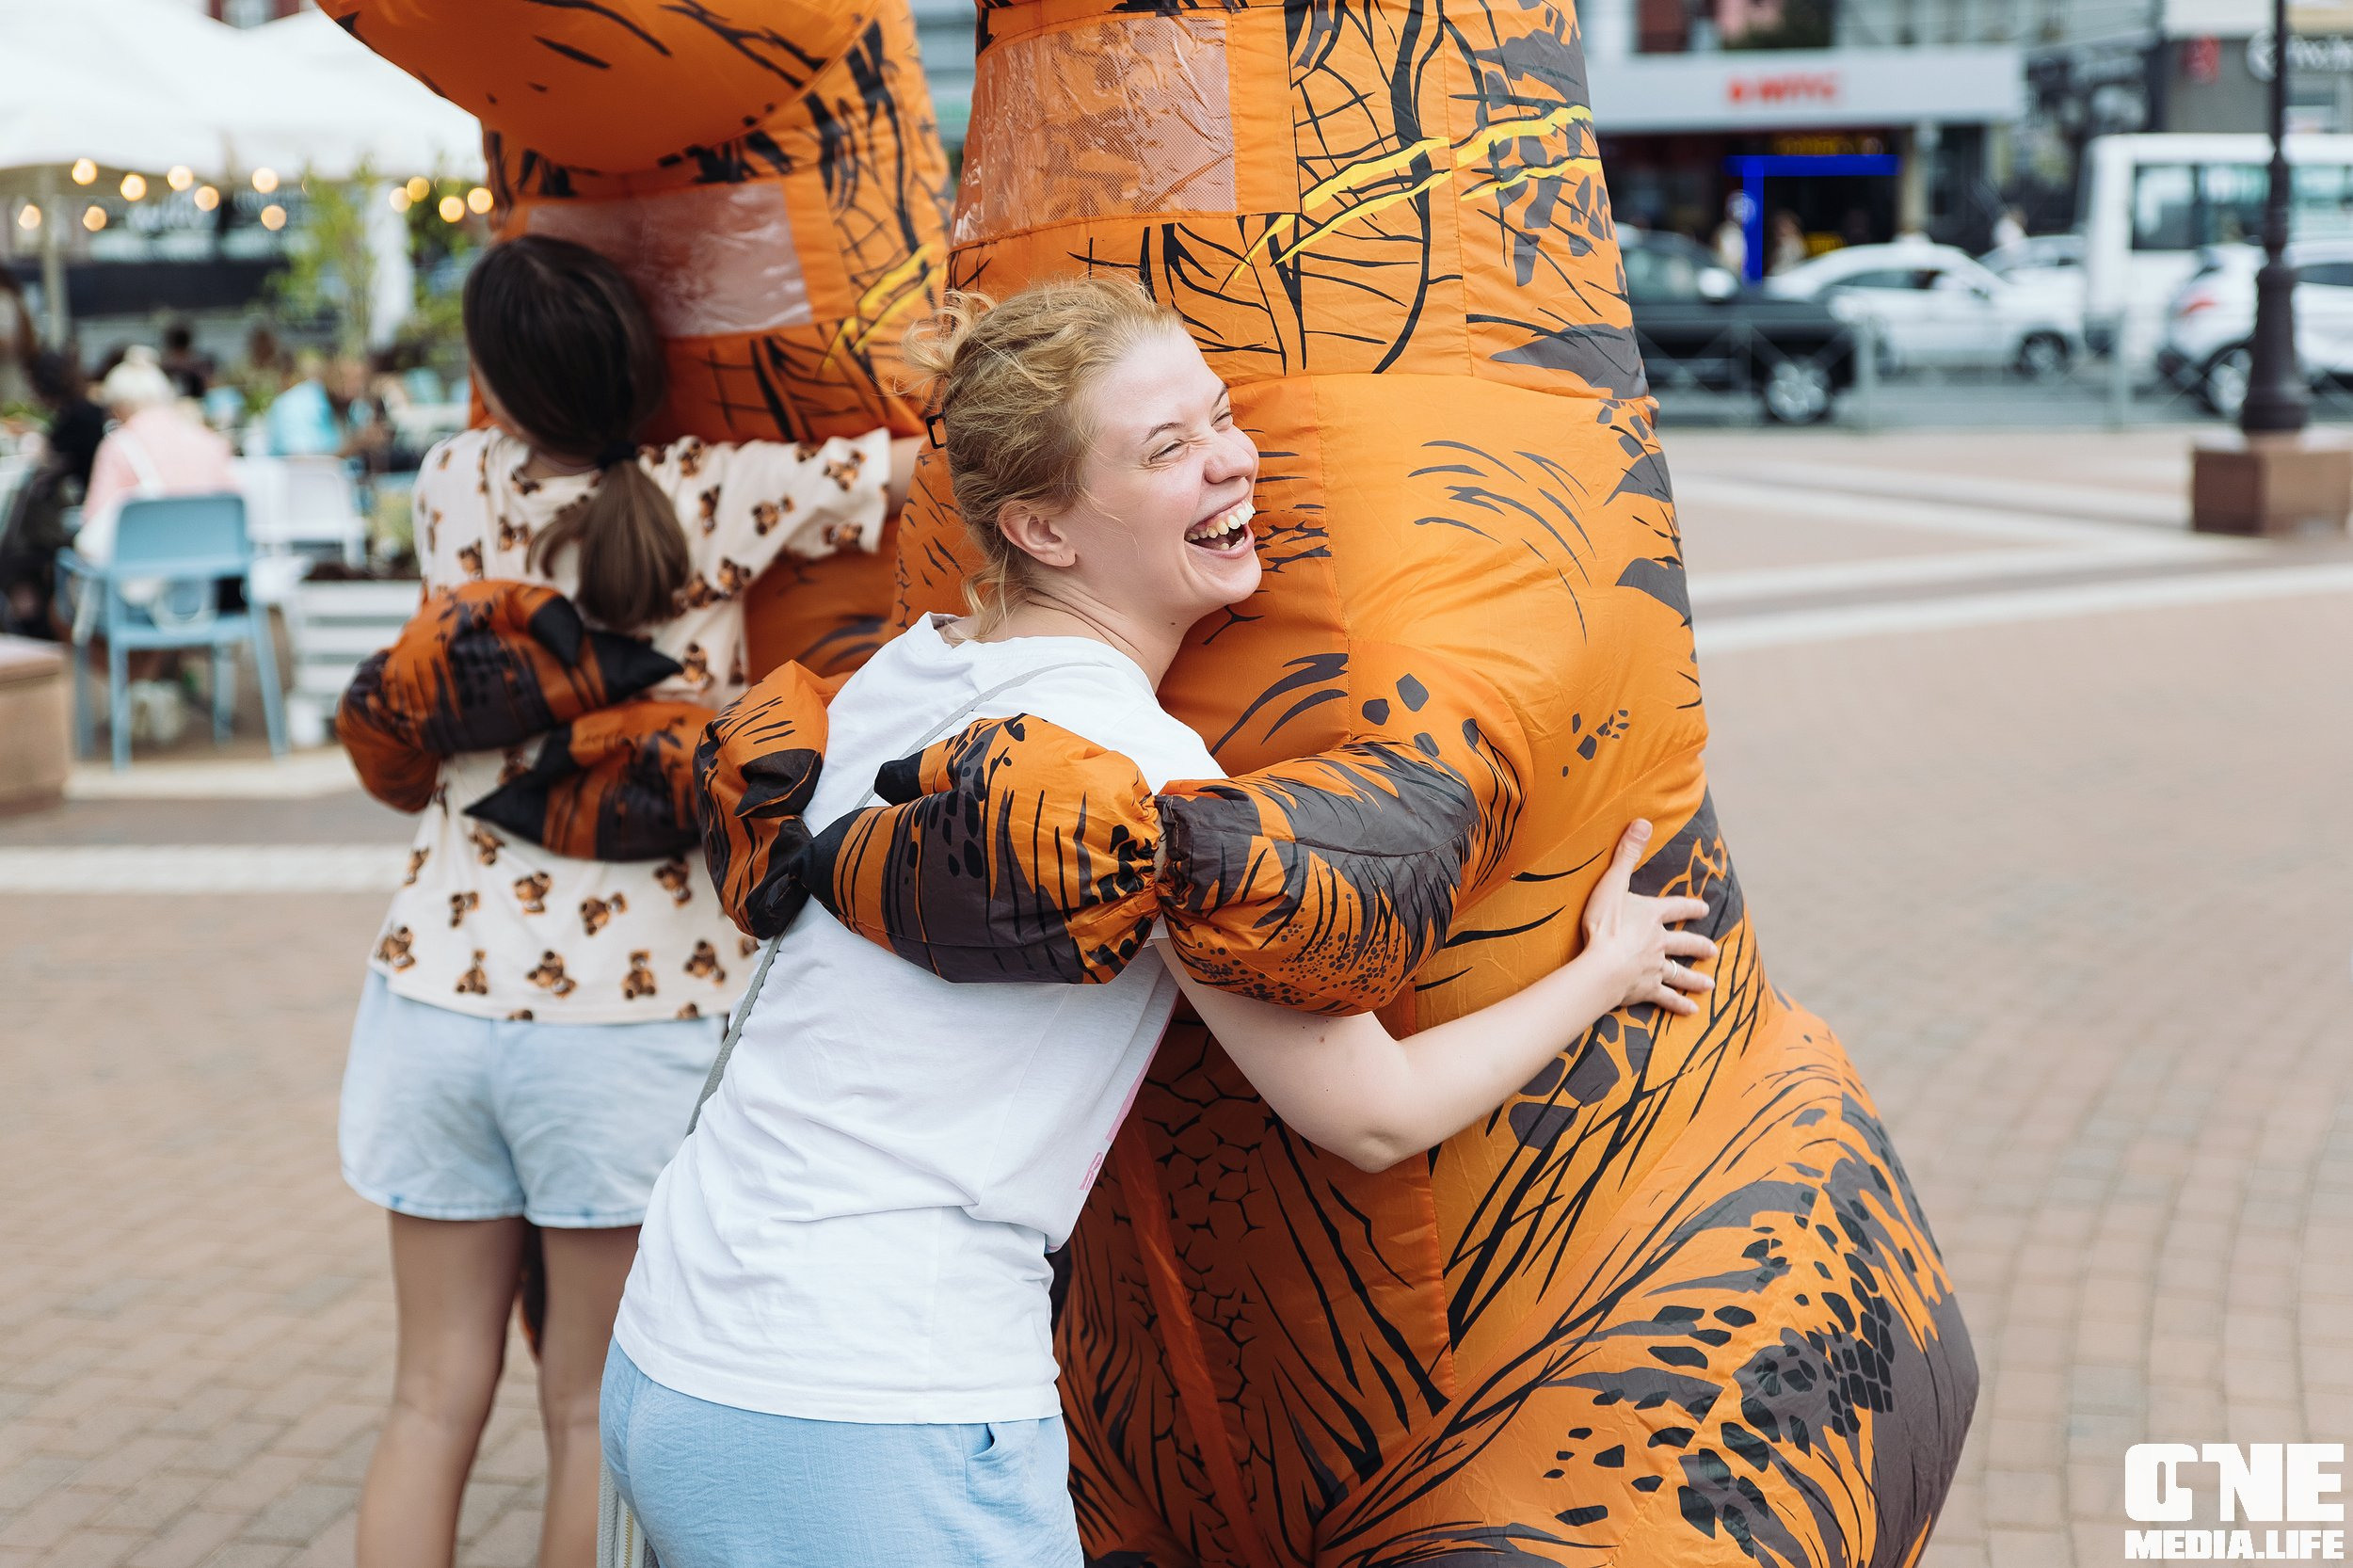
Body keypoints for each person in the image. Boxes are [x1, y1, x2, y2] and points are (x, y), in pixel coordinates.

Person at [601, 279, 1718, 1567]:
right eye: (1166, 447)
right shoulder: (1134, 774)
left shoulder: (900, 675)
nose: (1232, 457)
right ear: (1044, 526)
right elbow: (1370, 1108)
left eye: (1221, 414)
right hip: (872, 1407)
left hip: (678, 1347)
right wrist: (1609, 965)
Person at [337, 233, 920, 1568]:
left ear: (490, 376)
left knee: (429, 1395)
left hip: (434, 993)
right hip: (628, 1018)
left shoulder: (448, 487)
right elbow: (905, 466)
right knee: (586, 1414)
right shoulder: (713, 496)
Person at [72, 346, 239, 744]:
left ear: (121, 406)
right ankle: (160, 683)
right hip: (209, 597)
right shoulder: (209, 442)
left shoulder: (119, 447)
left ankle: (142, 686)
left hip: (141, 604)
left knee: (69, 606)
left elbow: (90, 532)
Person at [1768, 209, 1809, 275]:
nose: (1778, 229)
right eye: (1775, 227)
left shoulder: (1794, 243)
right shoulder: (1776, 244)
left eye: (1783, 225)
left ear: (1793, 226)